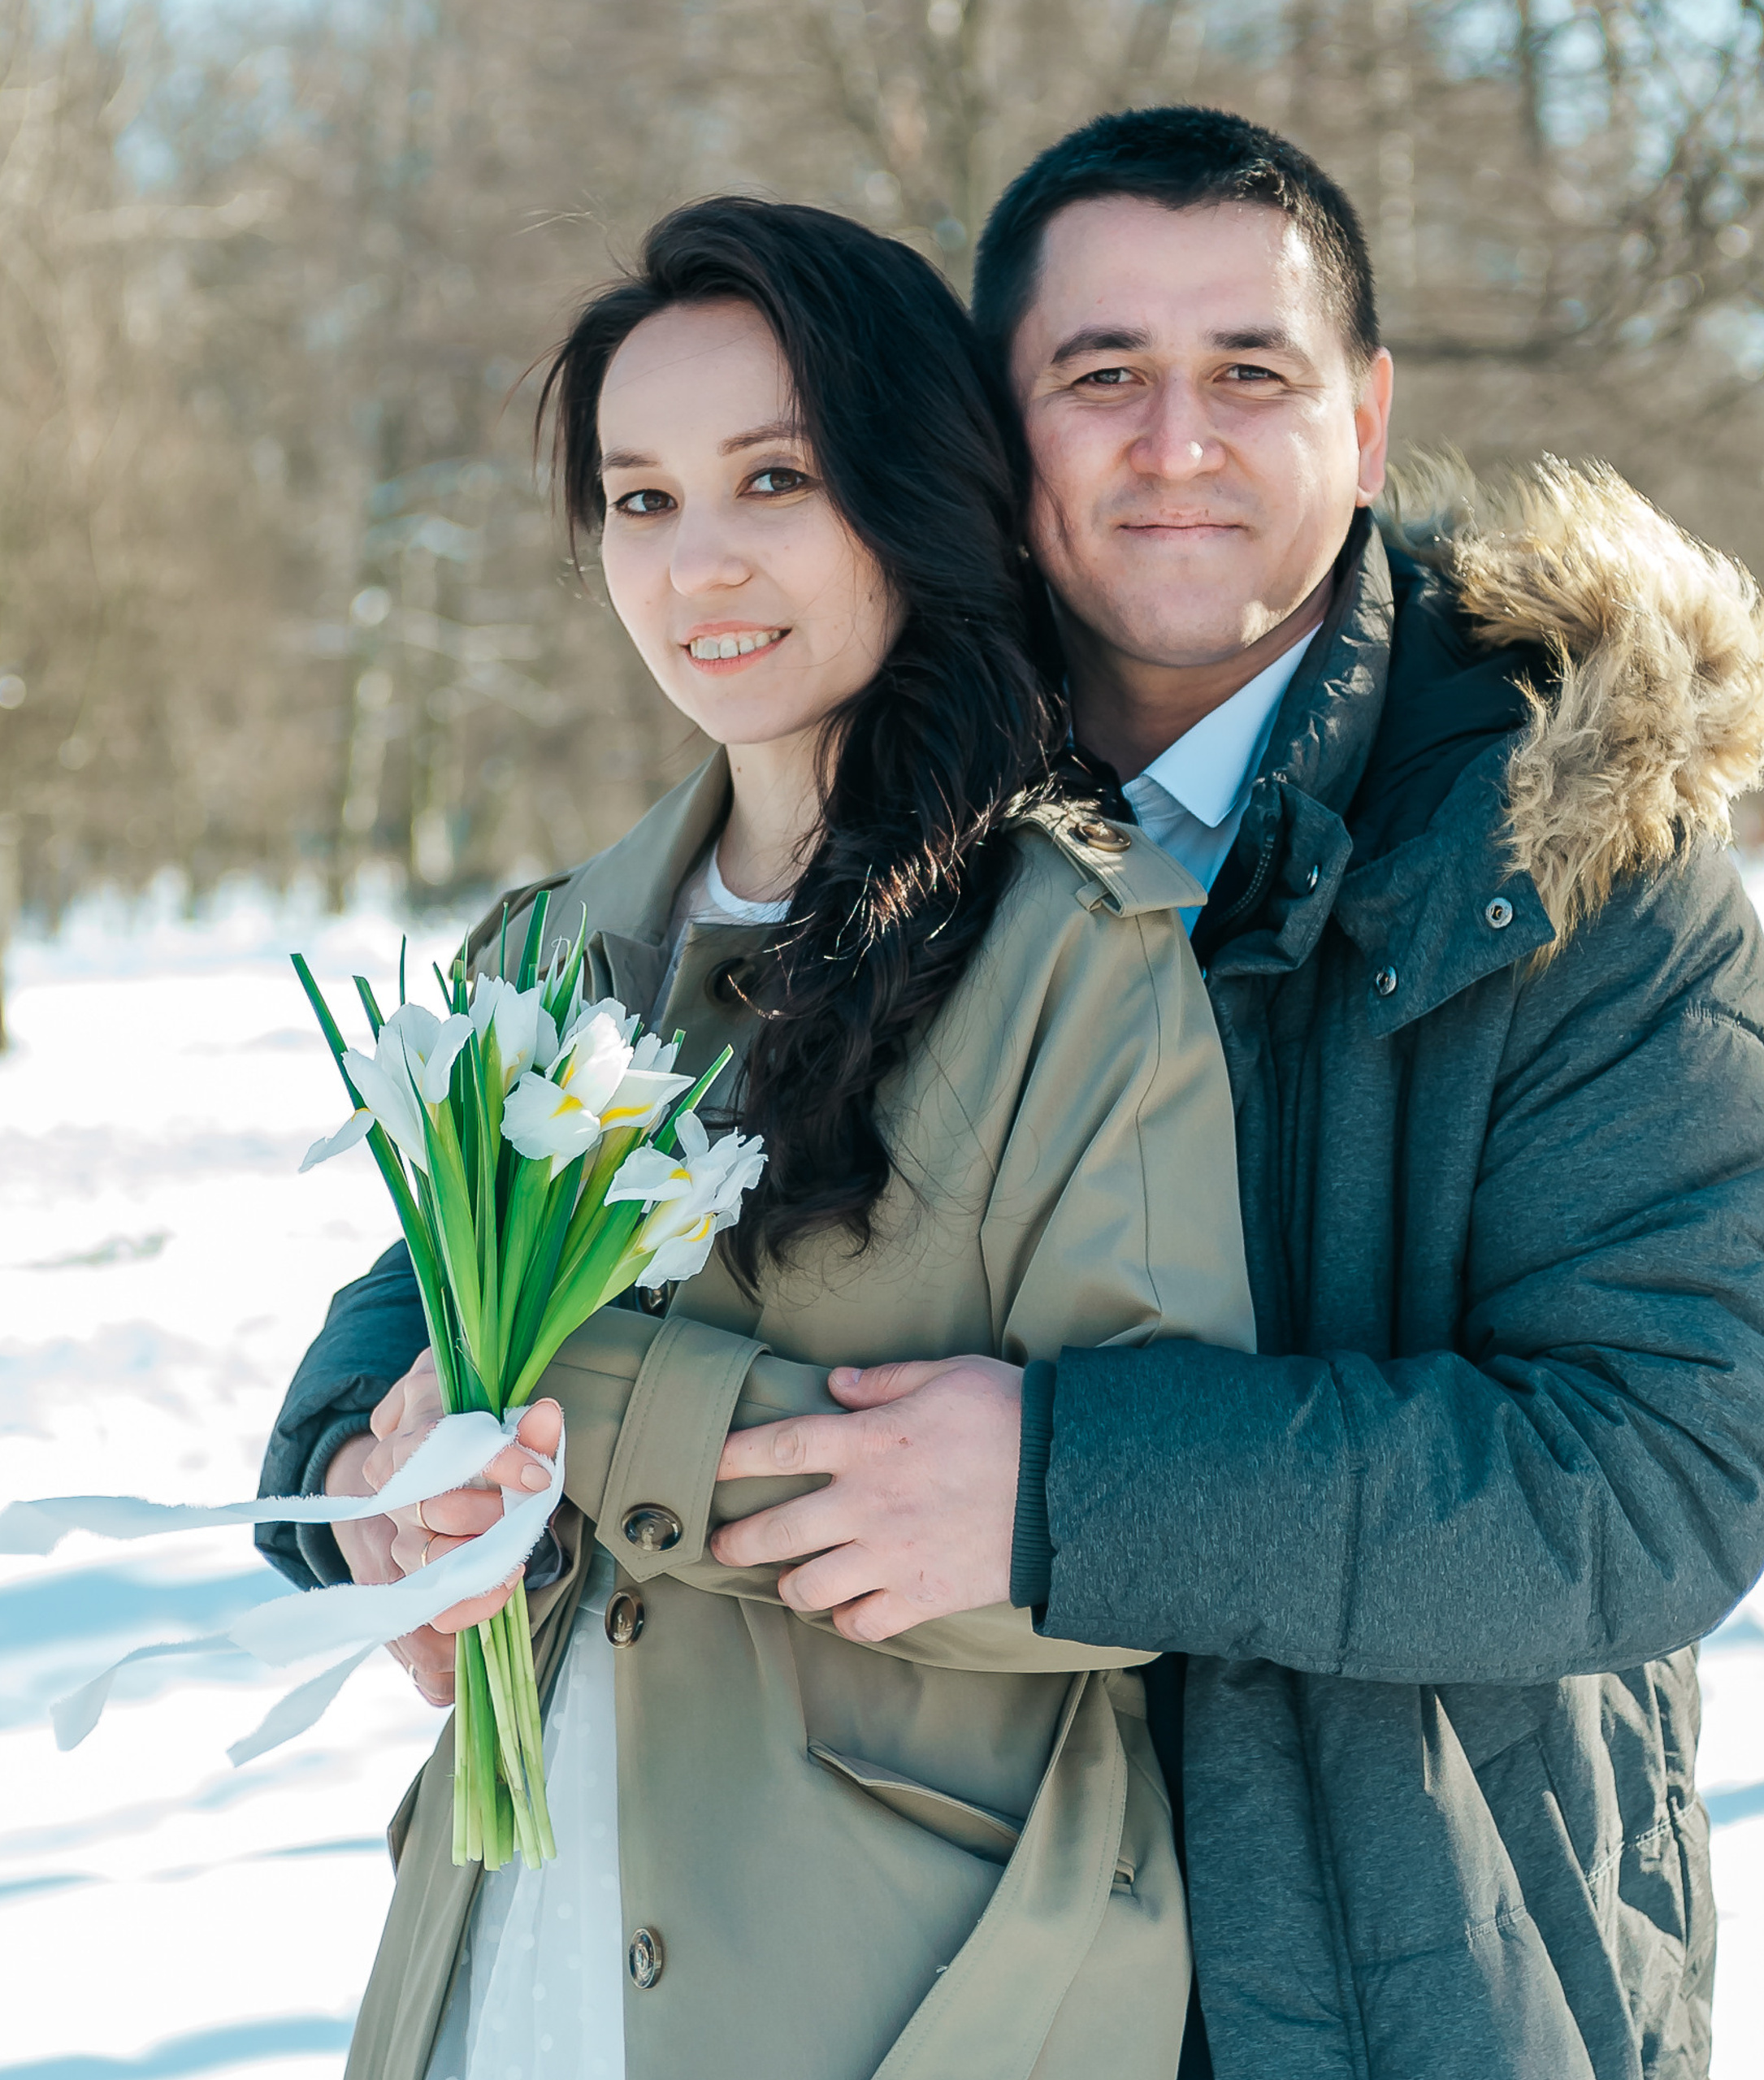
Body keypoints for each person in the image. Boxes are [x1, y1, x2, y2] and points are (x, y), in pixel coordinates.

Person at [269, 110, 1764, 2080]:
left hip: (1395, 1955)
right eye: (1101, 378)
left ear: (1364, 409)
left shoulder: (1566, 856)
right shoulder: (869, 812)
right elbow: (518, 1249)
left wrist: (1071, 1486)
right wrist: (360, 1461)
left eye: (1249, 372)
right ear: (991, 441)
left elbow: (1650, 1470)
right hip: (902, 1960)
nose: (1177, 442)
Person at [269, 194, 1260, 2080]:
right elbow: (397, 1343)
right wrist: (382, 1484)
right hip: (515, 1925)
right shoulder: (547, 952)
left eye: (772, 478)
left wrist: (576, 1405)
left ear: (904, 488)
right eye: (639, 500)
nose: (695, 563)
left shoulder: (1076, 952)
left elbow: (1117, 1548)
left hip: (891, 1971)